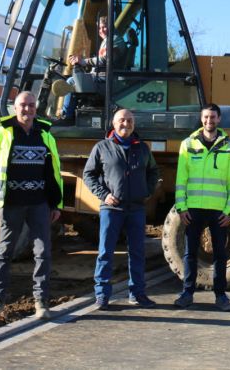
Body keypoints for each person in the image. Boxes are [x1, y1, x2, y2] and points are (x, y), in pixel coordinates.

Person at [0, 91, 63, 320]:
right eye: (23, 105)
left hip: (39, 204)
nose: (27, 109)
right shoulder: (1, 134)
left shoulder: (45, 134)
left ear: (36, 108)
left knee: (43, 252)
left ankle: (41, 302)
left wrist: (56, 203)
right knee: (4, 252)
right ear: (15, 108)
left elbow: (54, 172)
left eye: (31, 105)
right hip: (11, 204)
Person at [83, 108, 160, 310]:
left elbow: (153, 171)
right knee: (105, 252)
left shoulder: (142, 148)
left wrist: (147, 191)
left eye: (129, 120)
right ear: (113, 123)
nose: (126, 124)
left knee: (137, 252)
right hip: (112, 209)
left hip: (136, 208)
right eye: (122, 120)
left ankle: (137, 293)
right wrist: (104, 195)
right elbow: (88, 175)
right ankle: (102, 295)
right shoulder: (102, 147)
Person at [173, 103, 230, 311]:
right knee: (190, 253)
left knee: (220, 255)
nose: (209, 120)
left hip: (219, 211)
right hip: (193, 209)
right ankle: (187, 293)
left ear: (219, 119)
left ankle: (221, 296)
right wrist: (181, 207)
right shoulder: (187, 144)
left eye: (213, 117)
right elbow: (181, 179)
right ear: (201, 119)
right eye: (206, 117)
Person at [61, 16, 126, 121]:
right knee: (77, 78)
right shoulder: (107, 41)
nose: (101, 30)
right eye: (99, 28)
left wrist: (83, 61)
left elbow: (105, 60)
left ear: (111, 26)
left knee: (71, 82)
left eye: (104, 27)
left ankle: (66, 117)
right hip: (102, 76)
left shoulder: (116, 40)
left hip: (108, 79)